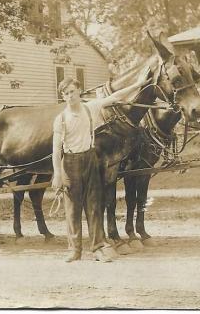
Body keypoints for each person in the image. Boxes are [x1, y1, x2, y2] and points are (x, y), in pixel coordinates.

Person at [52, 68, 151, 263]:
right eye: (65, 93)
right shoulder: (61, 119)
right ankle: (74, 250)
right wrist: (57, 174)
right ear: (62, 96)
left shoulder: (92, 107)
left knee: (94, 205)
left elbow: (115, 97)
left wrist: (138, 84)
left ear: (78, 91)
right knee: (72, 209)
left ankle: (98, 246)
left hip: (90, 159)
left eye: (72, 91)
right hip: (70, 163)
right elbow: (56, 150)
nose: (70, 96)